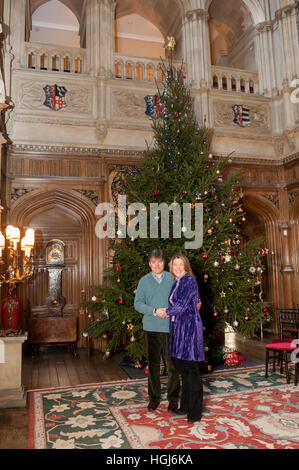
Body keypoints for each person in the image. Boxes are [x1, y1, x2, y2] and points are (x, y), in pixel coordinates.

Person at [156, 253, 204, 424]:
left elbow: (182, 304)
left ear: (186, 266)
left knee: (190, 370)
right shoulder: (176, 282)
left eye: (180, 264)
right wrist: (167, 310)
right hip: (177, 328)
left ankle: (195, 411)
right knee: (182, 368)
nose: (177, 267)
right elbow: (175, 304)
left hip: (189, 328)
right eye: (174, 264)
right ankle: (184, 406)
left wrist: (165, 312)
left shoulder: (189, 280)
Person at [134, 249, 180, 412]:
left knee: (173, 365)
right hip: (151, 328)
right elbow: (138, 304)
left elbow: (180, 299)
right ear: (149, 264)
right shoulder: (144, 281)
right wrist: (155, 311)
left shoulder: (172, 277)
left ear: (164, 263)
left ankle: (173, 398)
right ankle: (154, 398)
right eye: (153, 262)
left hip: (170, 327)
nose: (156, 265)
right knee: (153, 365)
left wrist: (170, 311)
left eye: (159, 262)